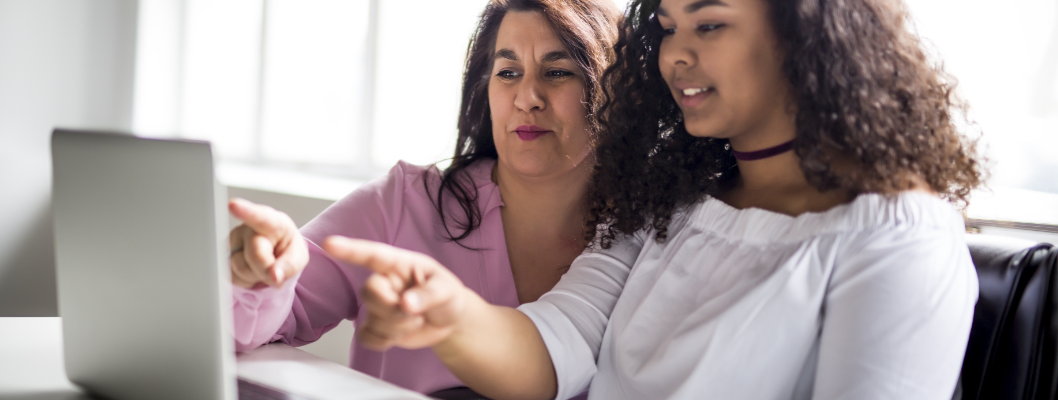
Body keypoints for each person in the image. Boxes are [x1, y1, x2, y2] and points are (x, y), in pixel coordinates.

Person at [322, 0, 987, 398]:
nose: (676, 56)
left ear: (804, 31)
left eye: (710, 26)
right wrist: (451, 315)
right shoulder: (671, 203)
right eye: (669, 27)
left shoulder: (897, 238)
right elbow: (554, 348)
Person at [225, 0, 621, 395]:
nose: (527, 97)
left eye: (557, 72)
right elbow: (236, 326)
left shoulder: (645, 244)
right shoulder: (401, 204)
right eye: (508, 72)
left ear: (616, 91)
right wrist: (263, 275)